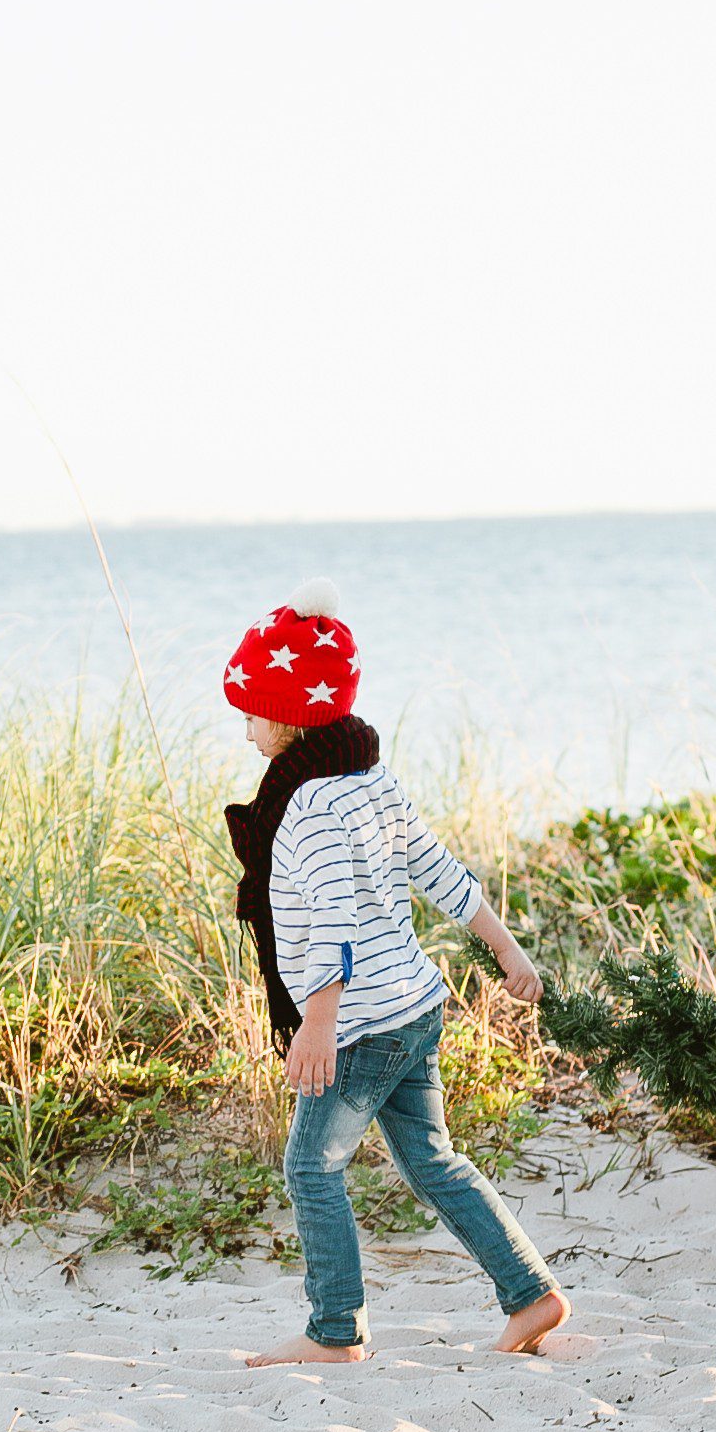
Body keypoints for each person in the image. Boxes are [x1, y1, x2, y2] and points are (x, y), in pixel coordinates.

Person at [222, 579, 570, 1366]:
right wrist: (507, 950)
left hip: (361, 1022)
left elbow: (334, 920)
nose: (244, 731)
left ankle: (334, 1330)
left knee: (311, 1166)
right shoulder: (370, 778)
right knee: (434, 1160)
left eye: (249, 714)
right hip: (415, 1004)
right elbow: (439, 871)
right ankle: (530, 1295)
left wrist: (317, 1023)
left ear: (286, 714)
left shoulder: (307, 807)